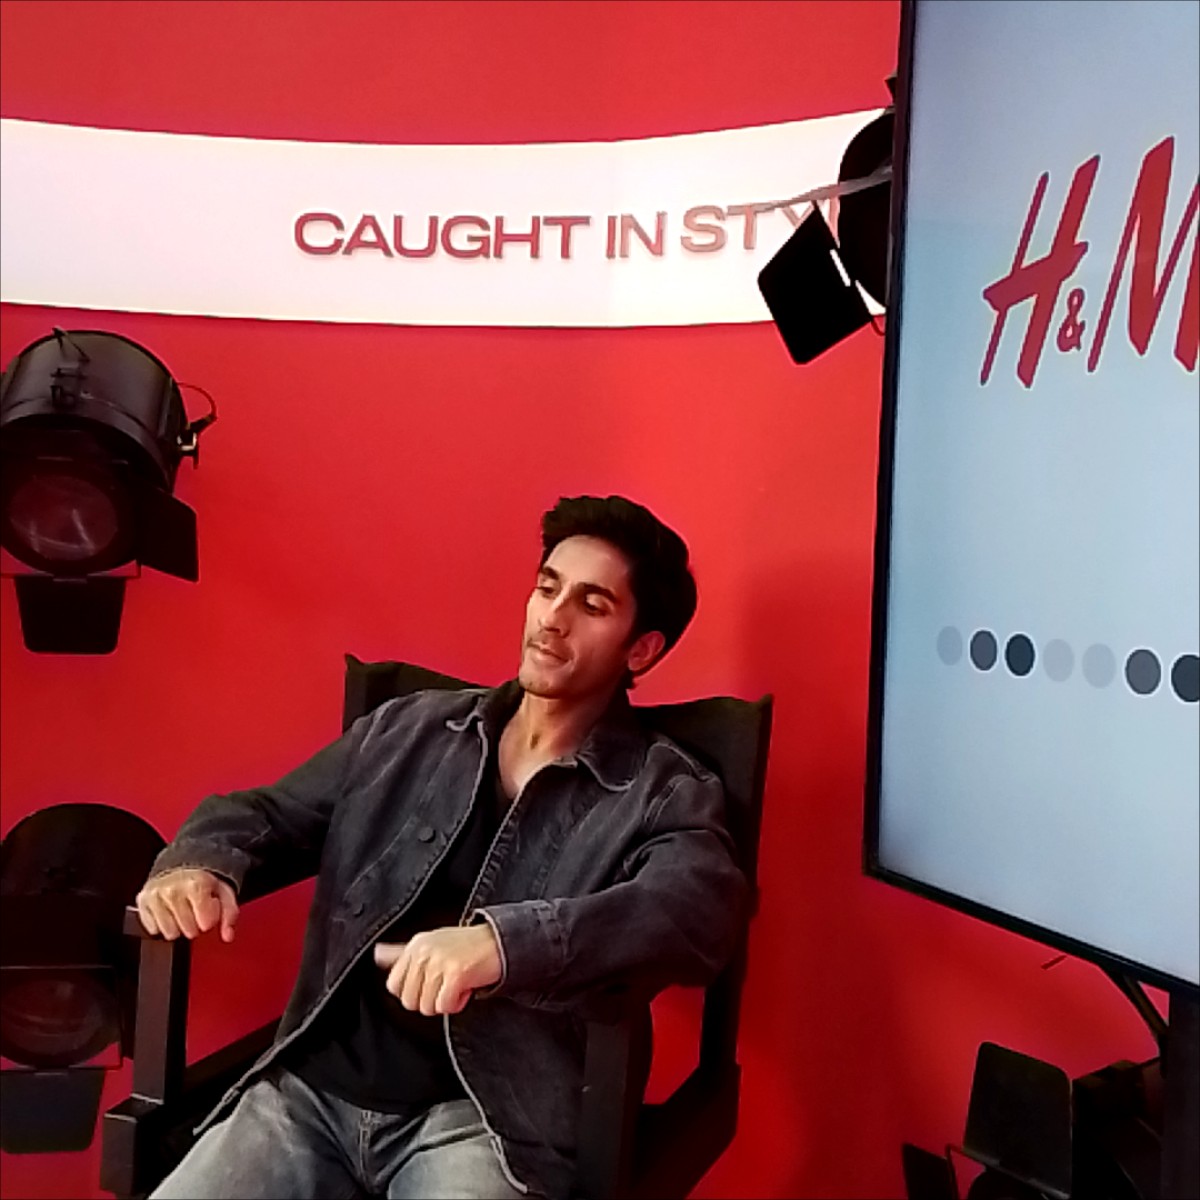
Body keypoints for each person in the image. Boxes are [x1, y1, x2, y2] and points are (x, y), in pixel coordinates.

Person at [137, 494, 748, 1200]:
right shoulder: (409, 730)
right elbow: (267, 813)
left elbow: (696, 910)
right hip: (309, 1095)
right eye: (547, 587)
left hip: (484, 1127)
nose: (552, 617)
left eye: (592, 604)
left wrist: (504, 945)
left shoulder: (661, 790)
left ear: (641, 649)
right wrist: (197, 862)